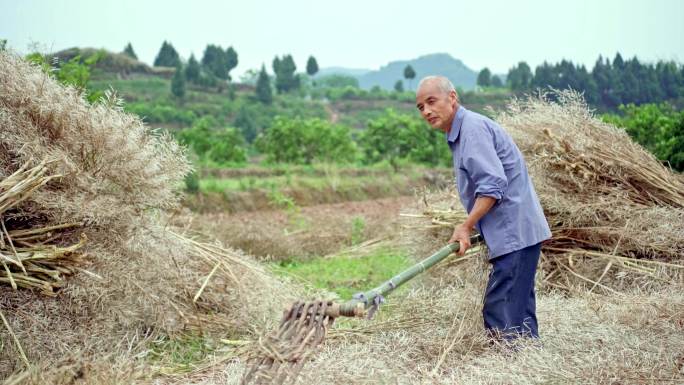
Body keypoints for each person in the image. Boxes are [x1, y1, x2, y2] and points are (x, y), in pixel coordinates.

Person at [415, 75, 551, 340]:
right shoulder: (461, 133)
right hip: (515, 233)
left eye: (431, 102)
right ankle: (525, 366)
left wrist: (466, 226)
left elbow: (492, 186)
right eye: (421, 107)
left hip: (514, 234)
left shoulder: (472, 130)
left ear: (452, 98)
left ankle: (509, 369)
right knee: (518, 311)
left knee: (501, 310)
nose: (427, 111)